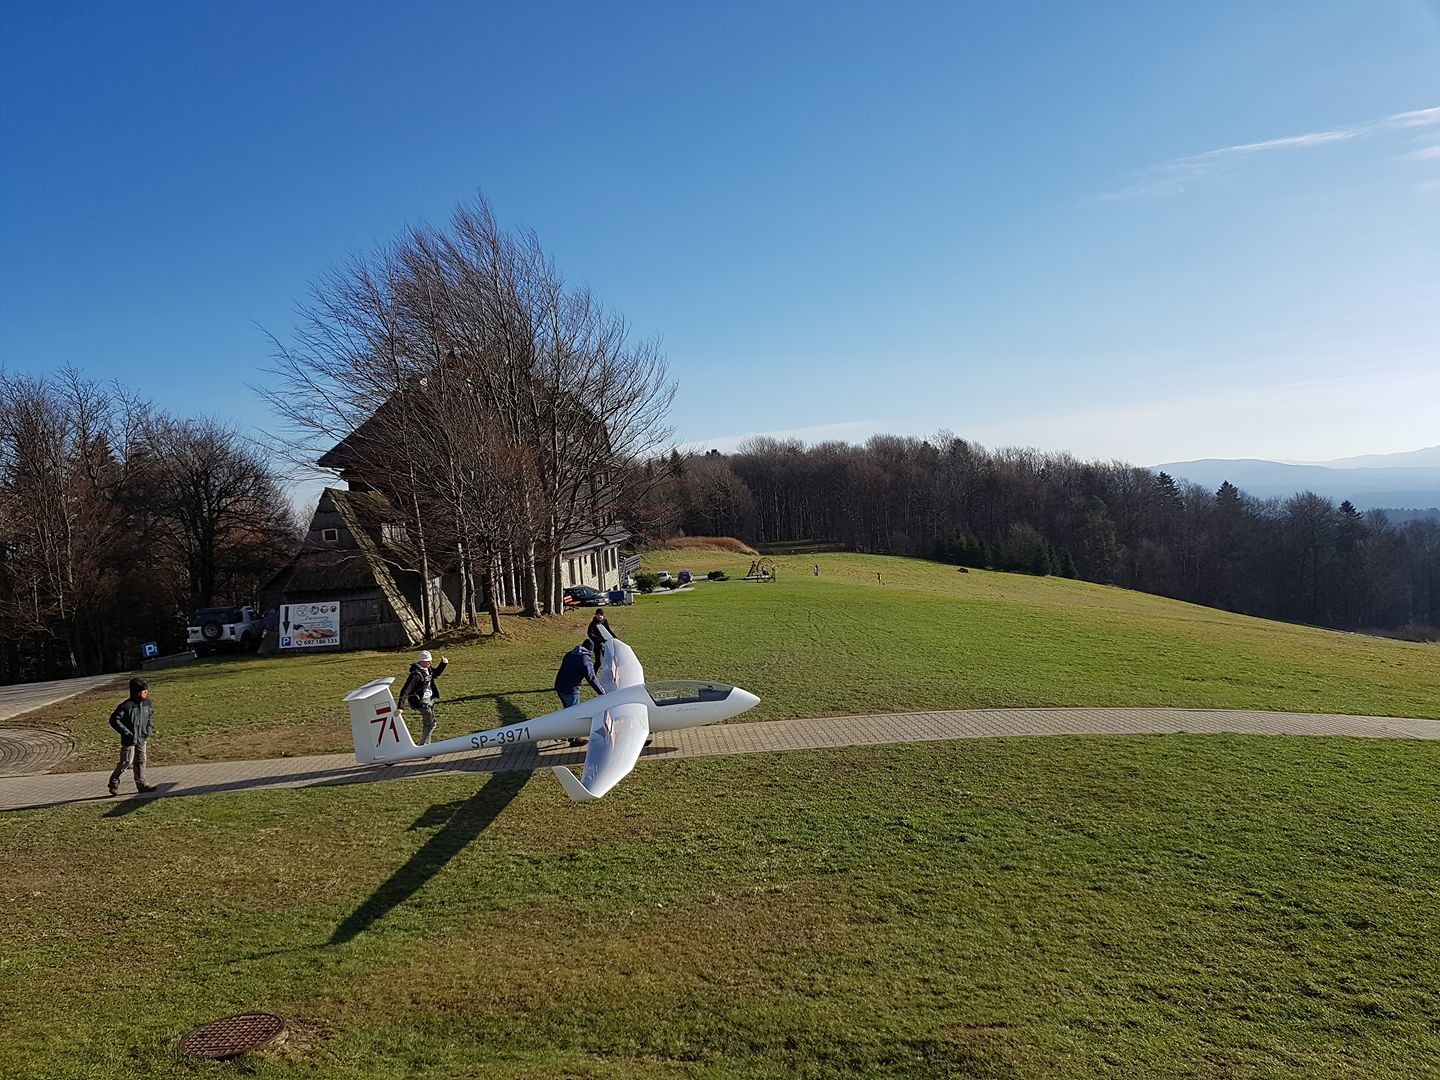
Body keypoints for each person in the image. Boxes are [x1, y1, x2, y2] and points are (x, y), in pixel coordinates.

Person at [107, 678, 158, 796]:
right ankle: (113, 782)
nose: (146, 693)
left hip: (142, 737)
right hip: (129, 740)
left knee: (141, 761)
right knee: (126, 761)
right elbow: (114, 720)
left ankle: (142, 785)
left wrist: (148, 729)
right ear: (136, 692)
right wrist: (126, 732)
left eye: (146, 690)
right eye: (143, 691)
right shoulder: (126, 706)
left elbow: (150, 716)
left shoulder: (147, 703)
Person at [554, 639, 604, 746]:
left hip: (559, 686)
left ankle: (563, 733)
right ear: (590, 650)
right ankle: (573, 738)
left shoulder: (570, 654)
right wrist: (601, 692)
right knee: (574, 714)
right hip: (571, 690)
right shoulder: (585, 660)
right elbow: (591, 678)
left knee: (567, 711)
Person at [397, 650, 448, 745]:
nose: (430, 663)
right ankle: (424, 746)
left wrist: (443, 664)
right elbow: (405, 690)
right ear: (422, 661)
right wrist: (400, 707)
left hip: (429, 700)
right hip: (422, 702)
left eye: (430, 661)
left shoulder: (428, 669)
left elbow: (435, 674)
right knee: (430, 724)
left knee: (430, 723)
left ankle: (424, 745)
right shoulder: (415, 675)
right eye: (428, 661)